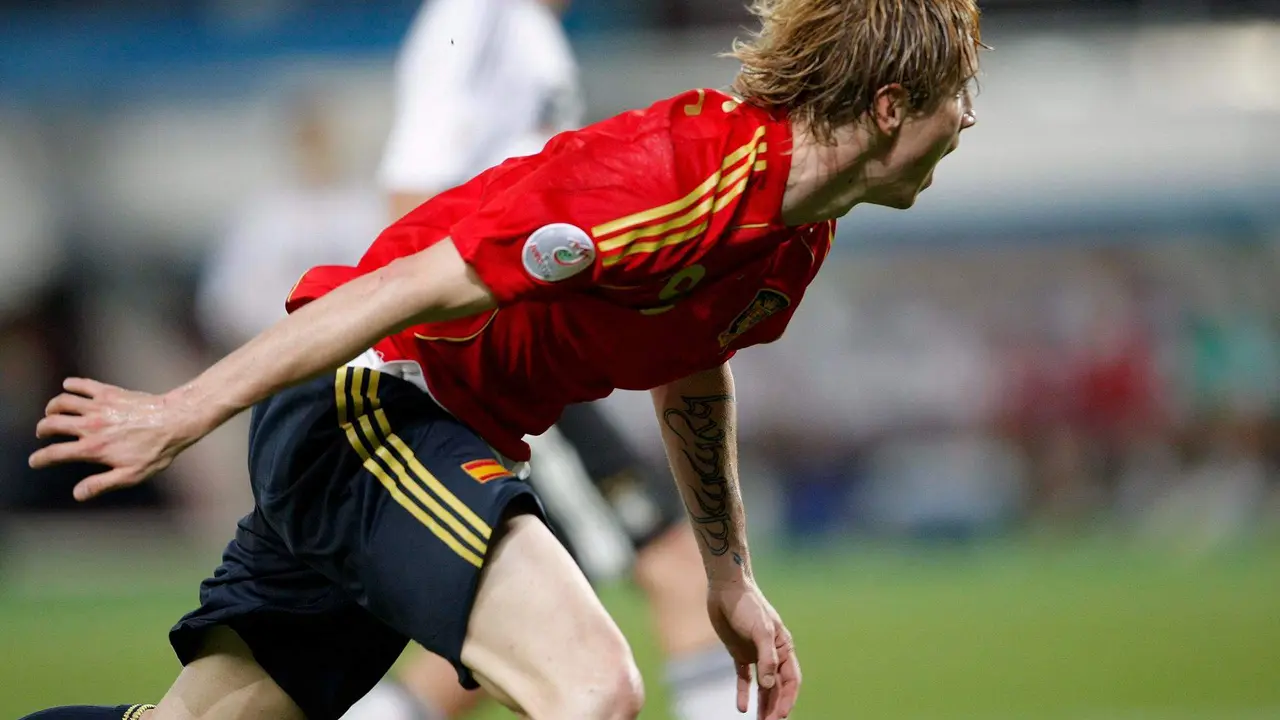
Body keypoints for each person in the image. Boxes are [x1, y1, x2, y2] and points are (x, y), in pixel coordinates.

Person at [23, 1, 983, 718]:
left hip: (436, 433)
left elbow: (692, 364)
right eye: (960, 97)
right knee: (594, 686)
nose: (970, 121)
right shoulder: (670, 174)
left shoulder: (793, 238)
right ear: (893, 105)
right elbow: (401, 285)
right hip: (377, 406)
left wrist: (725, 575)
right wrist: (186, 411)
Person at [341, 0, 749, 718]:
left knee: (485, 649)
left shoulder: (527, 29)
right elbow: (412, 188)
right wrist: (478, 344)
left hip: (524, 353)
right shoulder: (481, 17)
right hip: (499, 356)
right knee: (672, 567)